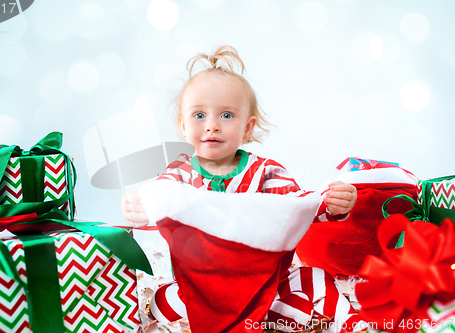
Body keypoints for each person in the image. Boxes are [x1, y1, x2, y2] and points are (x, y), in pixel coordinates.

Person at [122, 45, 362, 331]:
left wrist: (331, 203)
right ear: (183, 126)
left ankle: (356, 325)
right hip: (200, 288)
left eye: (226, 115)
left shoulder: (267, 171)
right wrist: (139, 206)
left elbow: (297, 204)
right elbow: (158, 196)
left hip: (263, 282)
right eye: (199, 116)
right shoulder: (179, 173)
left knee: (316, 280)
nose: (212, 126)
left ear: (247, 128)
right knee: (162, 303)